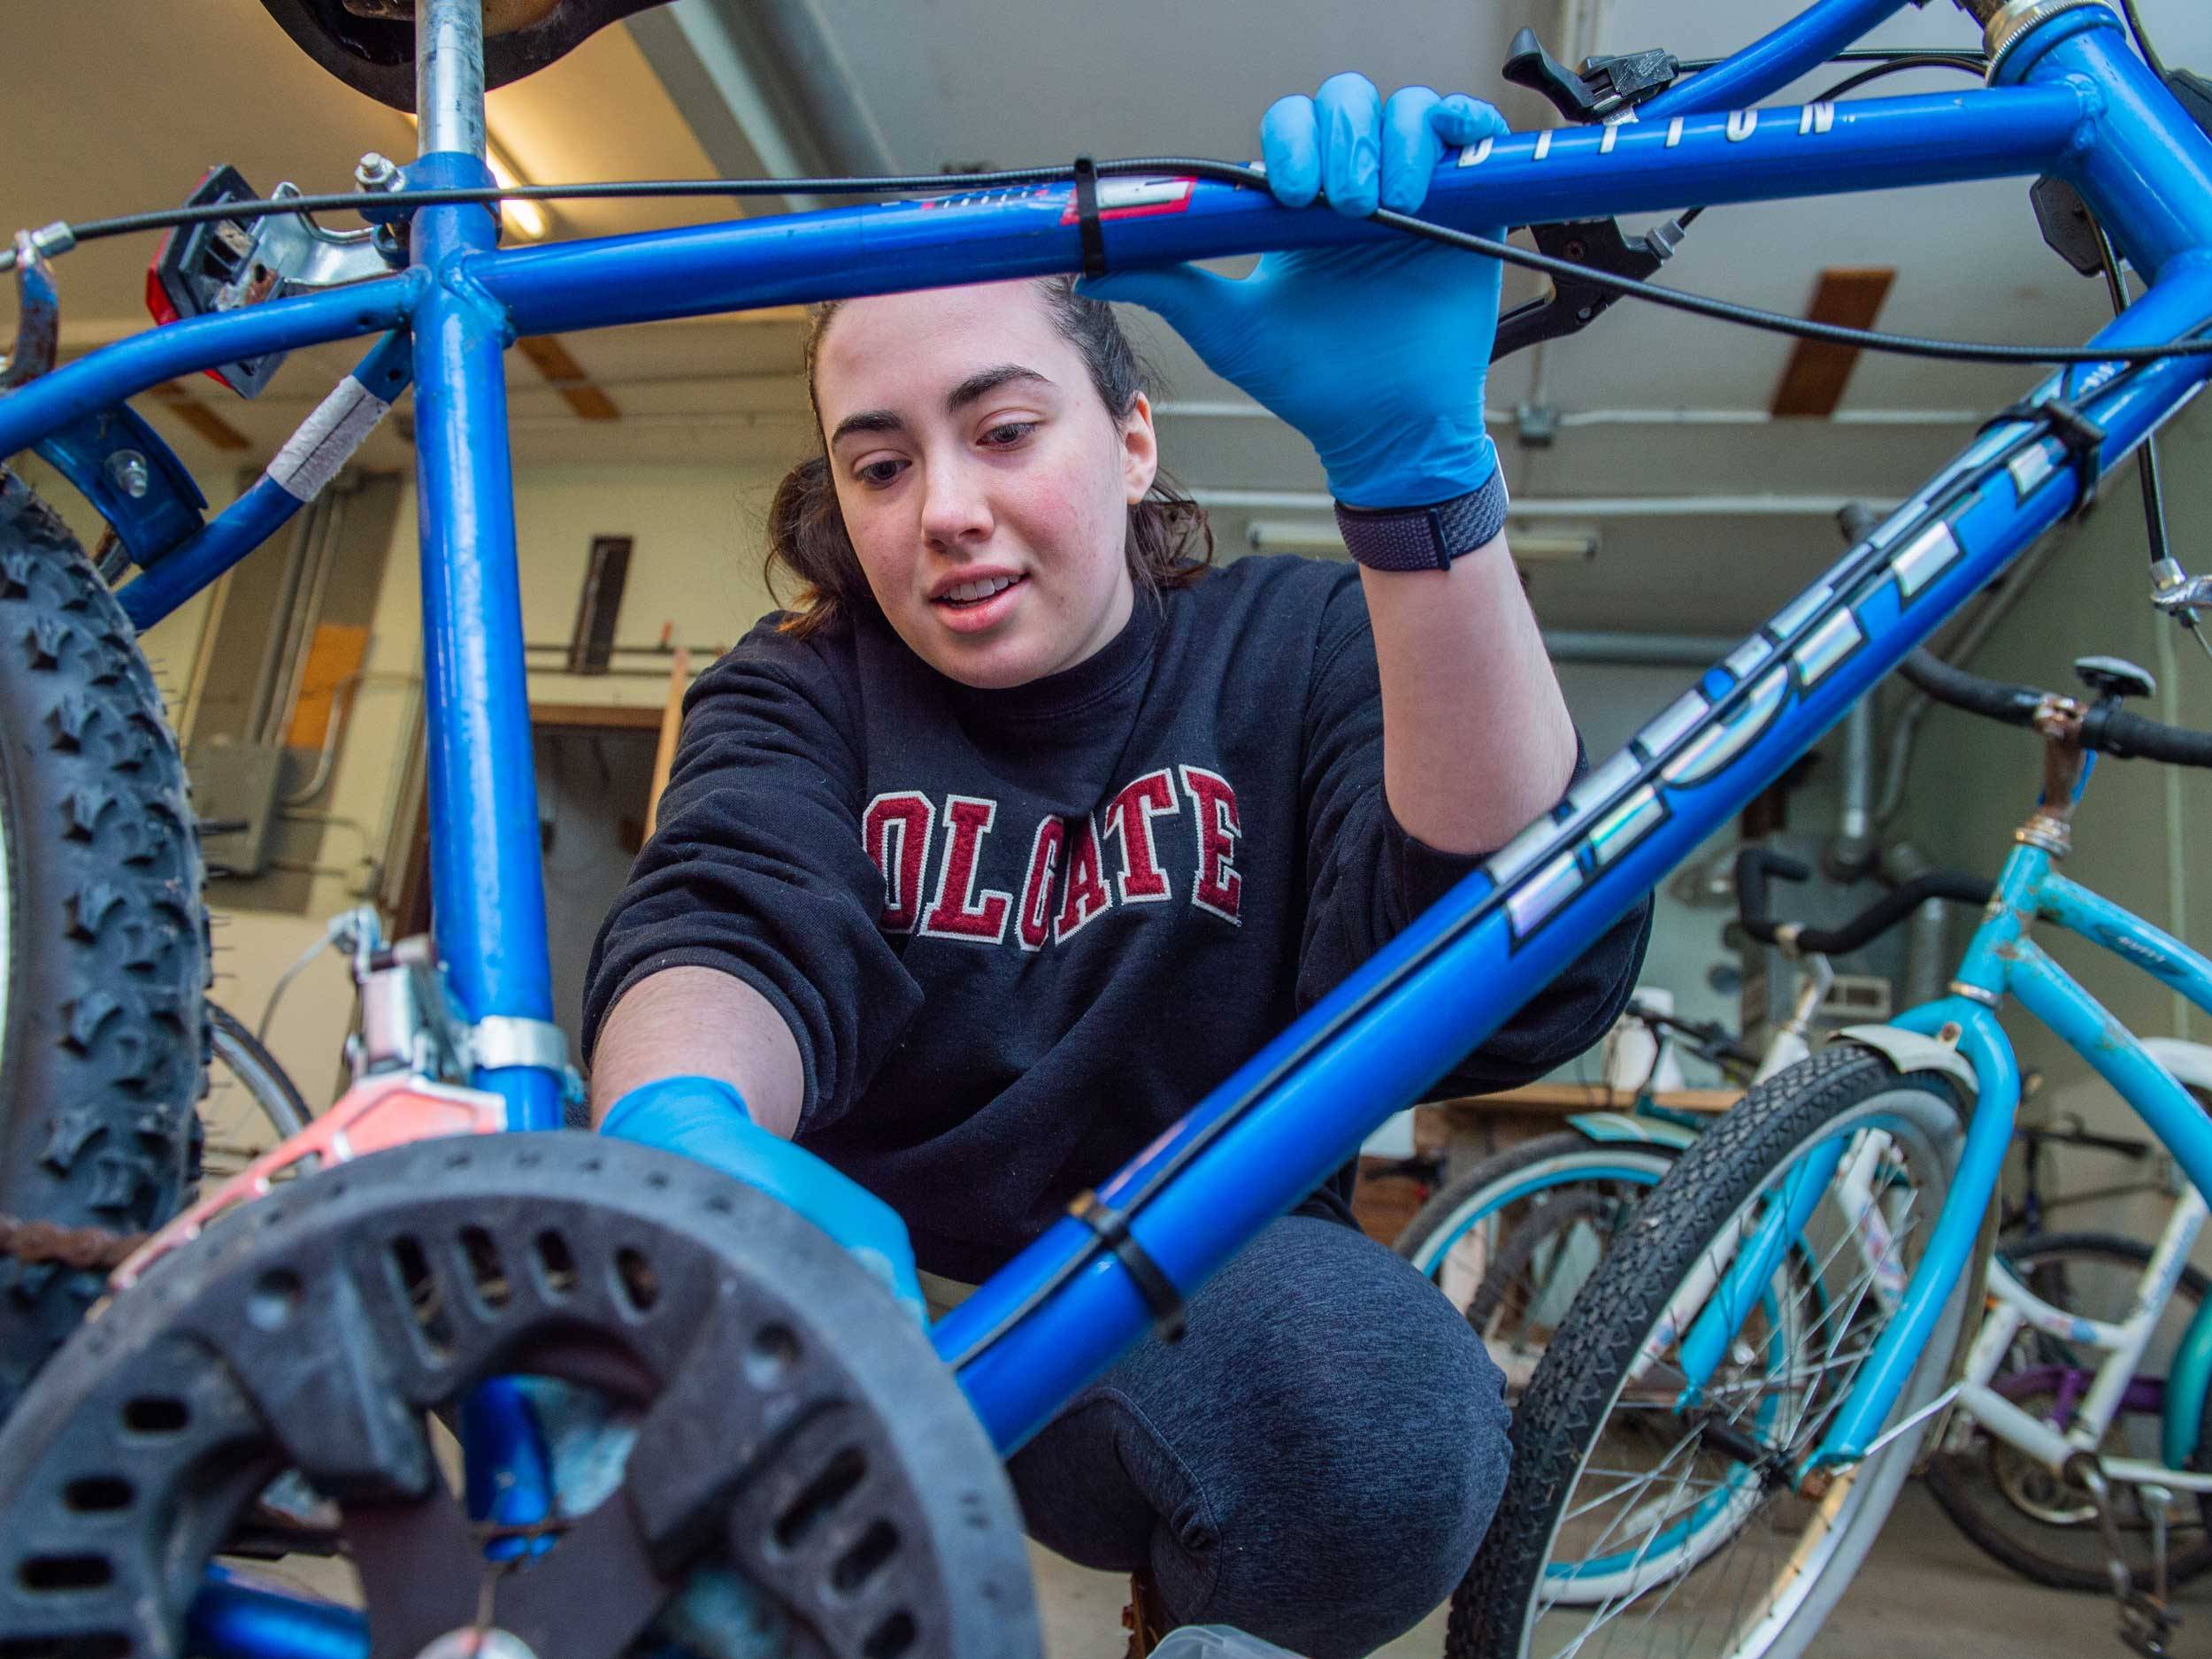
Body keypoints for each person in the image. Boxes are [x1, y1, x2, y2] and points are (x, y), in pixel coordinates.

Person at [583, 74, 1650, 1659]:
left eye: (1005, 431)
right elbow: (724, 919)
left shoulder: (1296, 645)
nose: (946, 511)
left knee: (1374, 1415)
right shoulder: (802, 687)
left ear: (1134, 438)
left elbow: (1507, 963)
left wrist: (1422, 482)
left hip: (1179, 1305)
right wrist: (681, 1130)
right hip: (876, 1306)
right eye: (879, 466)